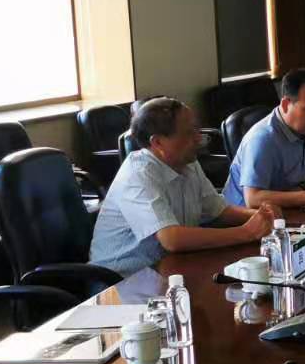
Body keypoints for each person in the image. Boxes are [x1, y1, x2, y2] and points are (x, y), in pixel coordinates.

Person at [91, 97, 275, 277]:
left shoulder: (187, 162)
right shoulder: (138, 174)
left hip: (168, 268)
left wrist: (262, 216)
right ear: (158, 143)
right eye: (188, 133)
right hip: (120, 280)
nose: (198, 138)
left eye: (196, 129)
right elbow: (171, 239)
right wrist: (245, 232)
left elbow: (218, 212)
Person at [223, 71, 305, 209]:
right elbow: (253, 198)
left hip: (291, 209)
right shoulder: (262, 139)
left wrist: (298, 193)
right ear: (285, 104)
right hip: (247, 217)